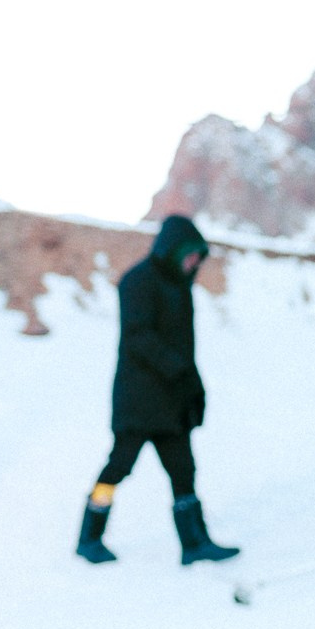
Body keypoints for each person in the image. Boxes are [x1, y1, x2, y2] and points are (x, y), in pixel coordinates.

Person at [77, 215, 239, 566]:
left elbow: (185, 346)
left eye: (199, 256)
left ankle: (195, 543)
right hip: (138, 401)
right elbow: (138, 337)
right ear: (173, 249)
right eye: (190, 255)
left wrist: (192, 387)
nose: (195, 262)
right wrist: (178, 369)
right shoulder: (137, 282)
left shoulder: (180, 287)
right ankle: (89, 537)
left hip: (172, 401)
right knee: (117, 469)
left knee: (184, 470)